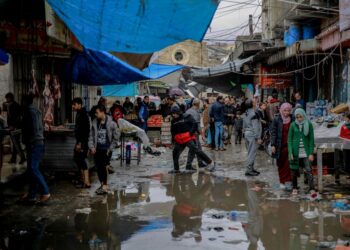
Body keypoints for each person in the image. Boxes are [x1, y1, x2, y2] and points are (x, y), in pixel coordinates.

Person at [21, 94, 50, 204]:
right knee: (32, 169)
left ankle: (45, 192)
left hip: (34, 143)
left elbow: (31, 129)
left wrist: (29, 142)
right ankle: (32, 195)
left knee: (33, 168)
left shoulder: (29, 112)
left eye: (22, 102)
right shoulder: (37, 111)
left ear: (25, 102)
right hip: (38, 142)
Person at [170, 105, 214, 174]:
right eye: (173, 113)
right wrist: (173, 140)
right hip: (179, 140)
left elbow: (194, 124)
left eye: (175, 113)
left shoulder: (187, 116)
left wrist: (190, 133)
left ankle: (210, 163)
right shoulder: (173, 121)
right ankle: (176, 169)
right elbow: (172, 131)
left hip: (188, 138)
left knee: (196, 150)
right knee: (175, 153)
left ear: (179, 112)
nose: (174, 115)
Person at [88, 105, 119, 195]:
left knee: (103, 166)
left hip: (106, 149)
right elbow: (90, 136)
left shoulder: (111, 123)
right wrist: (92, 147)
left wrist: (111, 148)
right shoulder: (94, 122)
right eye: (95, 113)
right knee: (98, 167)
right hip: (97, 149)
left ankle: (105, 186)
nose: (96, 114)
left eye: (97, 113)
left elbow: (116, 136)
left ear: (102, 112)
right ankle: (102, 185)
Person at [288, 108, 315, 195]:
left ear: (304, 115)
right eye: (297, 117)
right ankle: (295, 188)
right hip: (295, 152)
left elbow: (311, 140)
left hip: (306, 152)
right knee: (294, 171)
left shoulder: (309, 124)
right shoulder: (292, 125)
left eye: (301, 117)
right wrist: (290, 152)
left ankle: (311, 188)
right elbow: (289, 140)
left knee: (309, 171)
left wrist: (311, 153)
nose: (299, 119)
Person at [271, 103, 293, 187]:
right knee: (280, 164)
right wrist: (273, 144)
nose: (286, 112)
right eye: (285, 110)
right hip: (279, 145)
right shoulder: (277, 119)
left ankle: (289, 181)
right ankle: (282, 181)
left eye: (288, 110)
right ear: (281, 110)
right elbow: (273, 133)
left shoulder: (292, 119)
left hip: (289, 146)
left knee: (289, 164)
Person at [72, 98, 91, 188]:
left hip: (82, 142)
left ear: (79, 104)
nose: (73, 106)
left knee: (81, 160)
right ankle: (83, 179)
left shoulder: (83, 114)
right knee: (77, 158)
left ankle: (86, 182)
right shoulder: (79, 114)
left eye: (74, 104)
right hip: (80, 141)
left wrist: (80, 143)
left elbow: (84, 130)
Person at [185, 98, 206, 171]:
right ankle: (188, 165)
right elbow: (197, 125)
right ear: (198, 104)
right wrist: (203, 135)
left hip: (188, 132)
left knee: (198, 148)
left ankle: (200, 162)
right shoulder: (195, 113)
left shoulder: (187, 111)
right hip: (194, 133)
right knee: (193, 149)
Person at [4, 92, 26, 164]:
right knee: (15, 143)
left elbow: (17, 117)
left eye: (7, 98)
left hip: (16, 127)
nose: (6, 99)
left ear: (10, 98)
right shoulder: (8, 105)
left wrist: (14, 126)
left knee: (16, 143)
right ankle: (14, 158)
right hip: (12, 126)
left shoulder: (15, 105)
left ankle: (22, 157)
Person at [243, 99, 262, 176]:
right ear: (252, 104)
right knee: (252, 153)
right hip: (252, 135)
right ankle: (249, 170)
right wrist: (258, 137)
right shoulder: (254, 113)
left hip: (247, 133)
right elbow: (256, 127)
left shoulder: (246, 113)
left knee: (250, 152)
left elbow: (243, 125)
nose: (256, 102)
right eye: (254, 102)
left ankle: (251, 168)